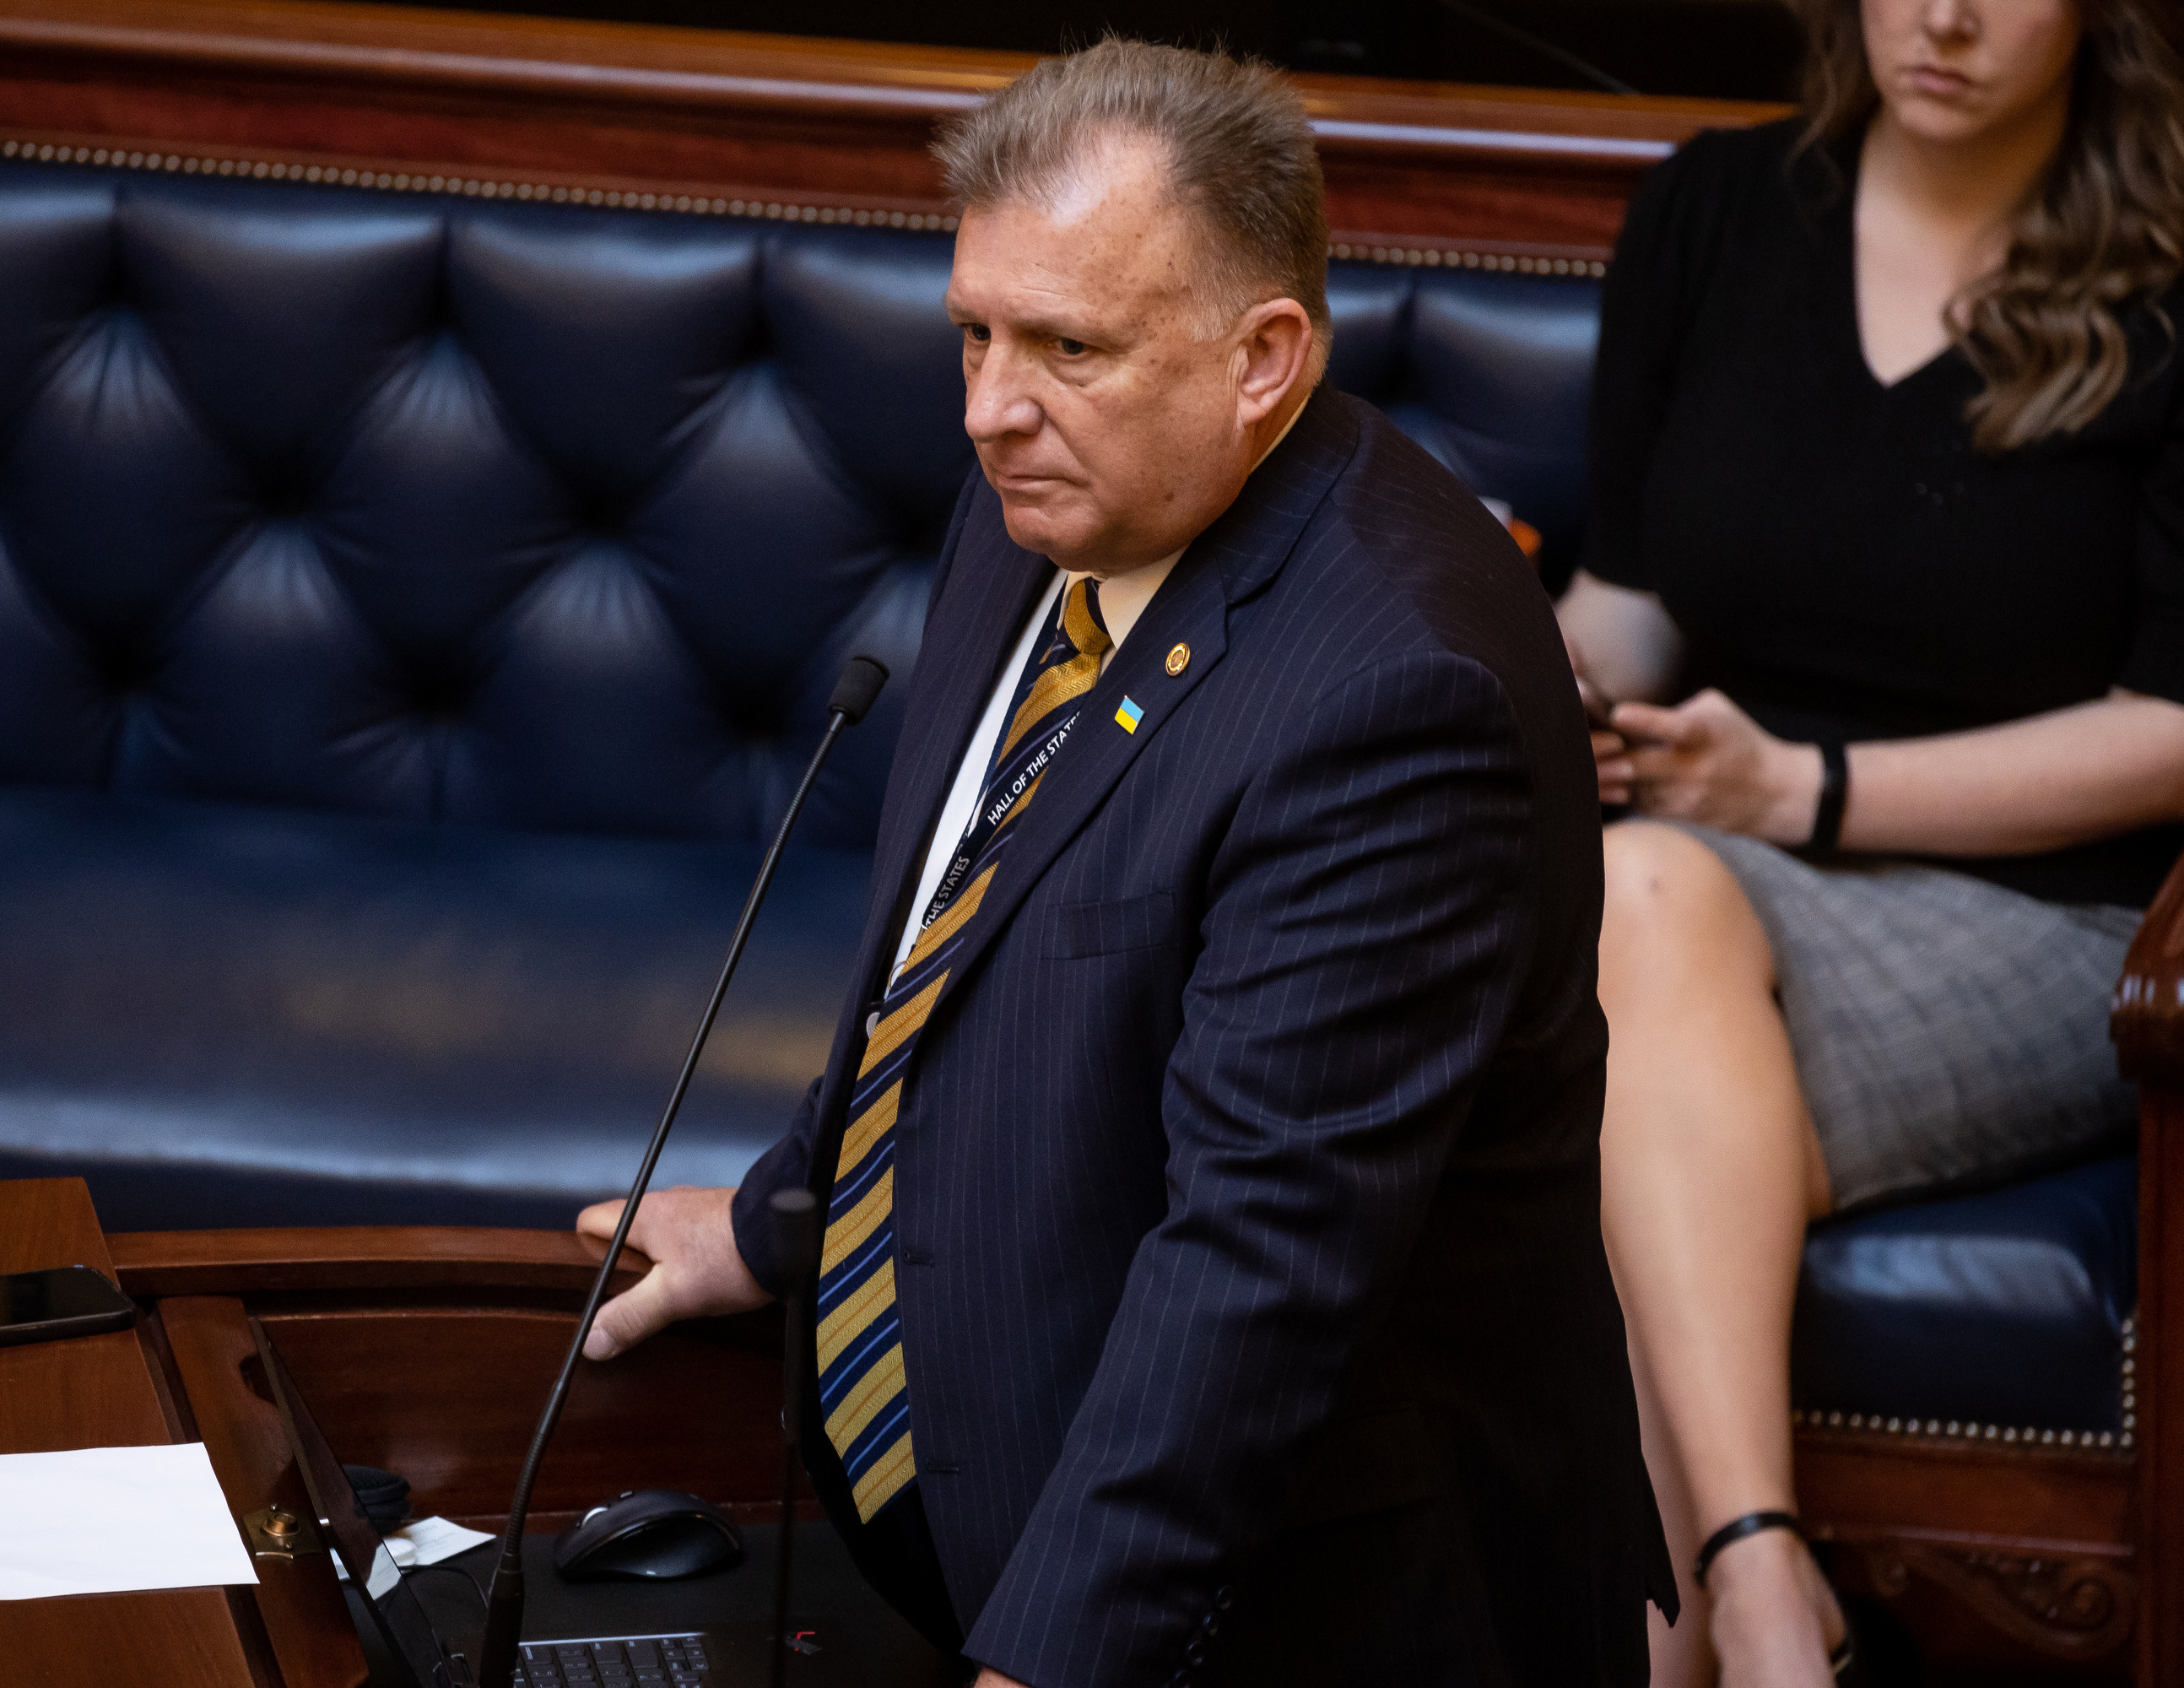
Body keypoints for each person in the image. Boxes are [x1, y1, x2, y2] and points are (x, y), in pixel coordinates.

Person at [578, 37, 1673, 1686]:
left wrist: (1053, 1658)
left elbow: (1260, 1263)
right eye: (974, 331)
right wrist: (781, 1213)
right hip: (981, 1508)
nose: (987, 407)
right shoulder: (1056, 488)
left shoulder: (1393, 698)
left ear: (1263, 358)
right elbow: (961, 949)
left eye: (1066, 345)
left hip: (1316, 1611)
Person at [1561, 0, 2184, 1678]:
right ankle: (1752, 1610)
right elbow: (1631, 611)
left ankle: (1739, 1586)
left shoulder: (2177, 278)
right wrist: (1496, 636)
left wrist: (1803, 792)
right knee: (1632, 928)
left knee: (1587, 1068)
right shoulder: (1715, 211)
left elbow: (2180, 729)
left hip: (2060, 921)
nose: (1949, 16)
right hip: (1702, 880)